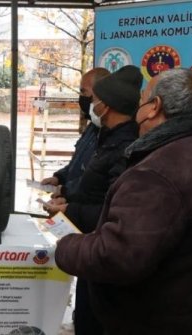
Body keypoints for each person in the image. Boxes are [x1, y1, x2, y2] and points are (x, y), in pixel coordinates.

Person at [55, 68, 192, 334]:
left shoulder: (158, 173)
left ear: (154, 107)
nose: (136, 108)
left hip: (154, 320)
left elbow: (117, 256)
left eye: (142, 100)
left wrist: (66, 247)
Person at [45, 65, 141, 335]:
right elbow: (89, 181)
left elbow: (112, 210)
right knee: (85, 314)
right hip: (92, 248)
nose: (89, 103)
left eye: (94, 98)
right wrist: (67, 195)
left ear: (106, 105)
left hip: (103, 253)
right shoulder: (105, 137)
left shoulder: (125, 146)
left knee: (94, 321)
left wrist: (69, 208)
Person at [41, 68, 110, 197]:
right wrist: (59, 178)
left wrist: (66, 193)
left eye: (84, 92)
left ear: (101, 94)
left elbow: (95, 183)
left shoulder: (111, 136)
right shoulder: (92, 127)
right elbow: (77, 164)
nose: (81, 98)